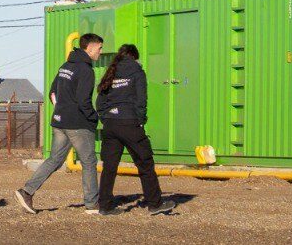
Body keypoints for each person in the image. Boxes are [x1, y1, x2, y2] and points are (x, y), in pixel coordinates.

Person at [13, 33, 102, 215]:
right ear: (90, 48)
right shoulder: (86, 70)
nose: (101, 52)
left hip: (60, 121)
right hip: (77, 124)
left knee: (54, 159)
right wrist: (94, 118)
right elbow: (83, 101)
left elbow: (52, 93)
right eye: (99, 48)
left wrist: (61, 109)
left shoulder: (65, 66)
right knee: (89, 162)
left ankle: (26, 192)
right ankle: (92, 205)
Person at [94, 44, 175, 215]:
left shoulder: (110, 72)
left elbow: (100, 102)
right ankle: (155, 203)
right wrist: (140, 120)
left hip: (110, 124)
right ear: (134, 56)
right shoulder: (137, 72)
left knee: (109, 167)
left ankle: (105, 206)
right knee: (145, 163)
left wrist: (105, 117)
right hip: (129, 123)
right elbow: (141, 99)